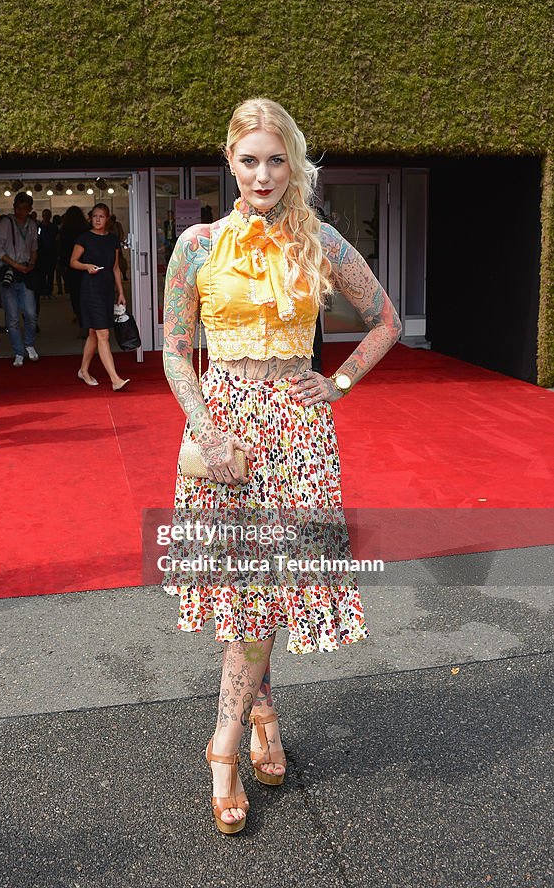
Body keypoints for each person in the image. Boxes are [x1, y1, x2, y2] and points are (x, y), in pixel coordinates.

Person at [162, 99, 402, 834]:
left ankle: (231, 737)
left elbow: (386, 319)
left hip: (298, 434)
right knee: (248, 594)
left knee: (266, 592)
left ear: (292, 163)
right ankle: (242, 732)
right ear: (227, 163)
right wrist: (207, 430)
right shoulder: (197, 246)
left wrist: (336, 384)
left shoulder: (322, 241)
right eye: (248, 160)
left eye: (275, 160)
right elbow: (175, 348)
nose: (261, 174)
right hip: (226, 432)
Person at [70, 204, 130, 390]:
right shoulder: (84, 238)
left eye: (101, 216)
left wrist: (120, 292)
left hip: (106, 290)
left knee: (93, 334)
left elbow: (115, 268)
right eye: (94, 216)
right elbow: (73, 262)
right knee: (102, 333)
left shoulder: (112, 240)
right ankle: (115, 379)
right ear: (90, 218)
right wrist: (87, 266)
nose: (97, 219)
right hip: (90, 290)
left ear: (107, 219)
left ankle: (83, 370)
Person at [0, 191, 39, 366]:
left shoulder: (32, 225)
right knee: (12, 317)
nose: (21, 212)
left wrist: (32, 262)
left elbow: (34, 247)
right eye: (18, 208)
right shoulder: (6, 223)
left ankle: (29, 344)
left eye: (25, 209)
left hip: (26, 271)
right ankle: (18, 351)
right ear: (14, 208)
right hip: (9, 272)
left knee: (30, 313)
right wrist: (15, 265)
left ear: (29, 210)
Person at [58, 206, 89, 324]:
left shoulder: (65, 230)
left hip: (72, 267)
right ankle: (86, 320)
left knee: (75, 295)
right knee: (87, 294)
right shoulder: (86, 229)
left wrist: (63, 265)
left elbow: (62, 250)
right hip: (86, 265)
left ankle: (80, 318)